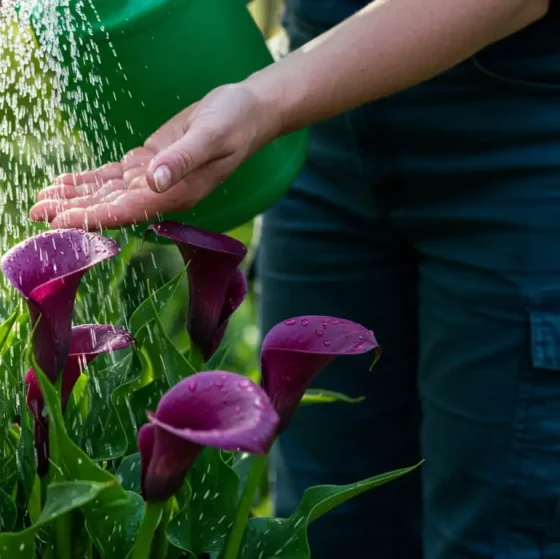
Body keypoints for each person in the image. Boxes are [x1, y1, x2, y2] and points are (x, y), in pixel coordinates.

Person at [29, 1, 560, 557]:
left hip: (518, 141)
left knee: (493, 530)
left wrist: (266, 100)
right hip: (318, 122)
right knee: (325, 527)